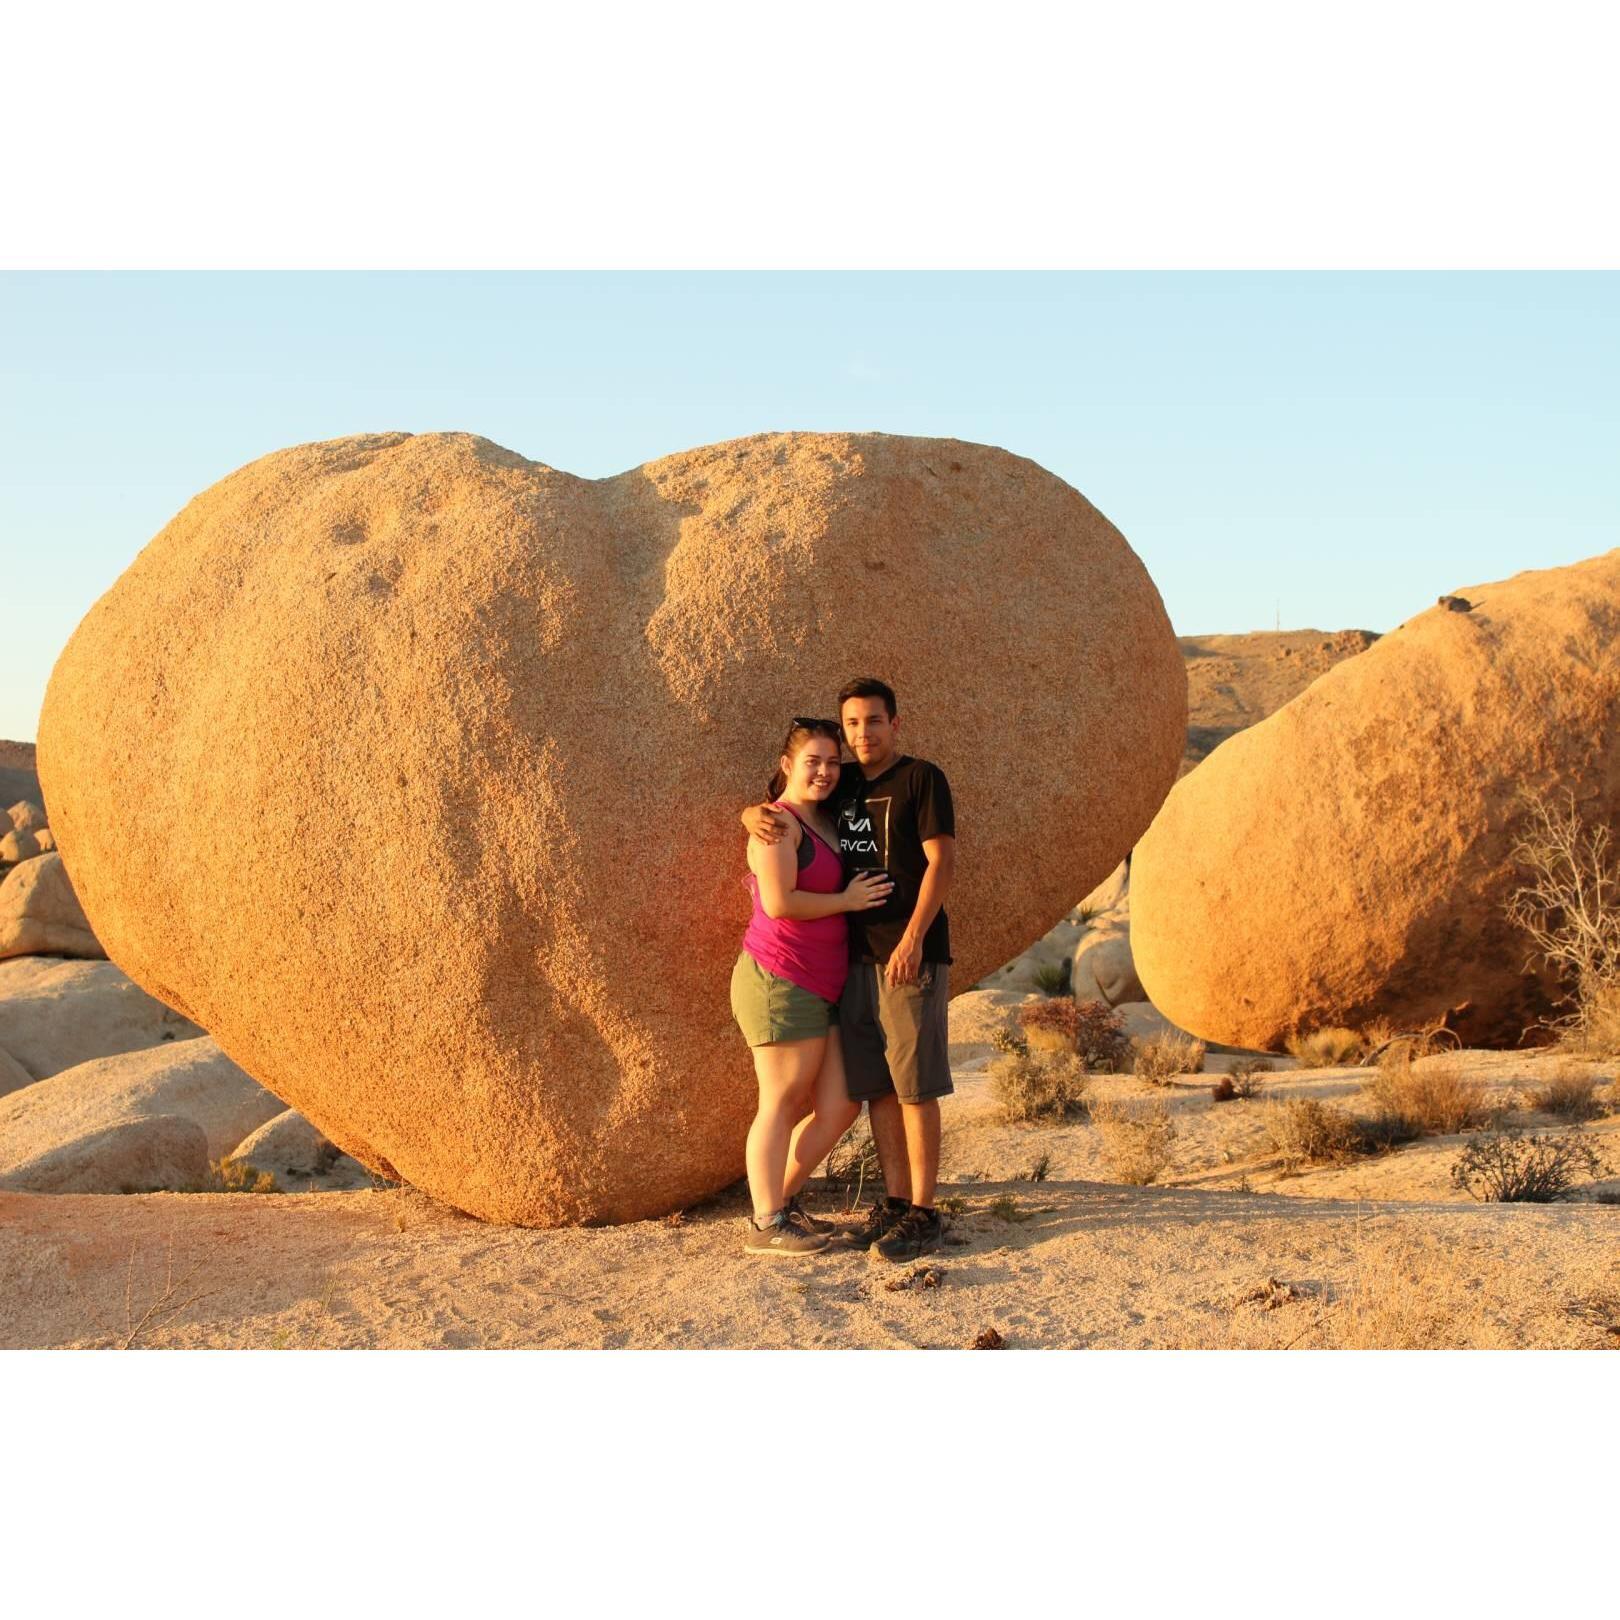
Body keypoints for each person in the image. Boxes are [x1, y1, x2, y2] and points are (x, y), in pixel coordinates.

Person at [743, 678, 957, 1262]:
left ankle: (923, 1212)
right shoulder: (839, 791)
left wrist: (913, 938)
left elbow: (942, 861)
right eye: (853, 725)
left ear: (895, 723)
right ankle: (881, 1203)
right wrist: (749, 815)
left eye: (874, 722)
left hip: (905, 953)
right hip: (845, 964)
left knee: (911, 1087)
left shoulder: (921, 779)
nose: (863, 735)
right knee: (876, 1087)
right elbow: (781, 819)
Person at [730, 717, 894, 1258]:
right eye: (812, 762)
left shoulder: (823, 817)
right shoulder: (777, 824)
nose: (824, 771)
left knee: (841, 1103)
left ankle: (783, 1200)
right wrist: (847, 901)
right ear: (786, 765)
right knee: (779, 1099)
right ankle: (766, 1222)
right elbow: (780, 903)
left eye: (831, 761)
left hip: (821, 982)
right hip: (781, 976)